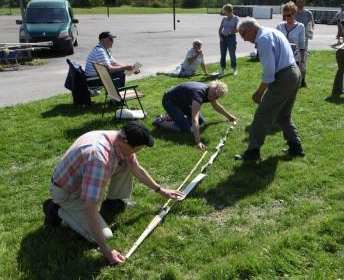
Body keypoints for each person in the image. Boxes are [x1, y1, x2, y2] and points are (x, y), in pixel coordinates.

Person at [42, 121, 184, 265]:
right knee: (105, 235)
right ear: (129, 145)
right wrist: (107, 251)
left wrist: (160, 190)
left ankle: (113, 201)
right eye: (140, 148)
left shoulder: (117, 139)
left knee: (126, 166)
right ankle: (55, 210)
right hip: (67, 193)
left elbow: (136, 169)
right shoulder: (100, 159)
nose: (140, 151)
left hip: (77, 182)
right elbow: (90, 208)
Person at [235, 17, 304, 161]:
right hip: (294, 73)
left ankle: (252, 152)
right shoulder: (271, 31)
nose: (243, 39)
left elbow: (269, 72)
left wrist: (259, 93)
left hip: (284, 77)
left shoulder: (263, 39)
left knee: (262, 115)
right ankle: (295, 147)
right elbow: (291, 48)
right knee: (284, 115)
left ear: (250, 29)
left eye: (242, 34)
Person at [153, 81, 237, 150]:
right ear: (212, 86)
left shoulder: (209, 92)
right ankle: (159, 121)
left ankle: (171, 116)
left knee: (201, 122)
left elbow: (216, 106)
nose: (213, 96)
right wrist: (198, 141)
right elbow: (194, 119)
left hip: (182, 102)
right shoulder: (199, 93)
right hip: (169, 100)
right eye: (213, 93)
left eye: (216, 96)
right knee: (186, 129)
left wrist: (230, 117)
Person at [277, 1, 306, 83]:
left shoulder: (300, 26)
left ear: (294, 13)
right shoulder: (280, 26)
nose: (287, 18)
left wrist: (302, 62)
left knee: (292, 82)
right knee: (282, 82)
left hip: (294, 59)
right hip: (281, 59)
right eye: (285, 15)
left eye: (289, 15)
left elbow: (302, 45)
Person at [295, 0, 315, 87]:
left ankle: (303, 80)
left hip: (304, 41)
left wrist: (309, 33)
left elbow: (311, 26)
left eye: (302, 1)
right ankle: (294, 80)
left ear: (304, 2)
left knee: (303, 61)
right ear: (296, 1)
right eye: (298, 1)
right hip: (292, 41)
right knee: (293, 61)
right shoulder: (292, 12)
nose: (300, 3)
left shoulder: (308, 13)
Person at [219, 4, 239, 76]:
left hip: (231, 38)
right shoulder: (224, 18)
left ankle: (234, 69)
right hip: (223, 38)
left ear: (228, 10)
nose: (224, 12)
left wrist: (230, 32)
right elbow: (220, 28)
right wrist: (220, 37)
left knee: (232, 54)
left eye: (224, 10)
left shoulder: (236, 18)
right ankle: (222, 69)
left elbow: (237, 29)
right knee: (222, 54)